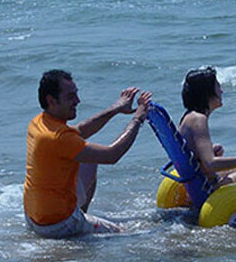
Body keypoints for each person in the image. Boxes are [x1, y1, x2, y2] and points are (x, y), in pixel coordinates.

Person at [23, 70, 151, 238]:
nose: (78, 101)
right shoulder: (58, 138)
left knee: (89, 159)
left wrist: (116, 108)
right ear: (51, 100)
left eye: (76, 94)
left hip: (34, 216)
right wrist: (138, 118)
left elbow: (80, 131)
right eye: (70, 97)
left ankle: (79, 216)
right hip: (56, 225)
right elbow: (112, 155)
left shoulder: (39, 122)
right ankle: (77, 224)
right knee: (125, 234)